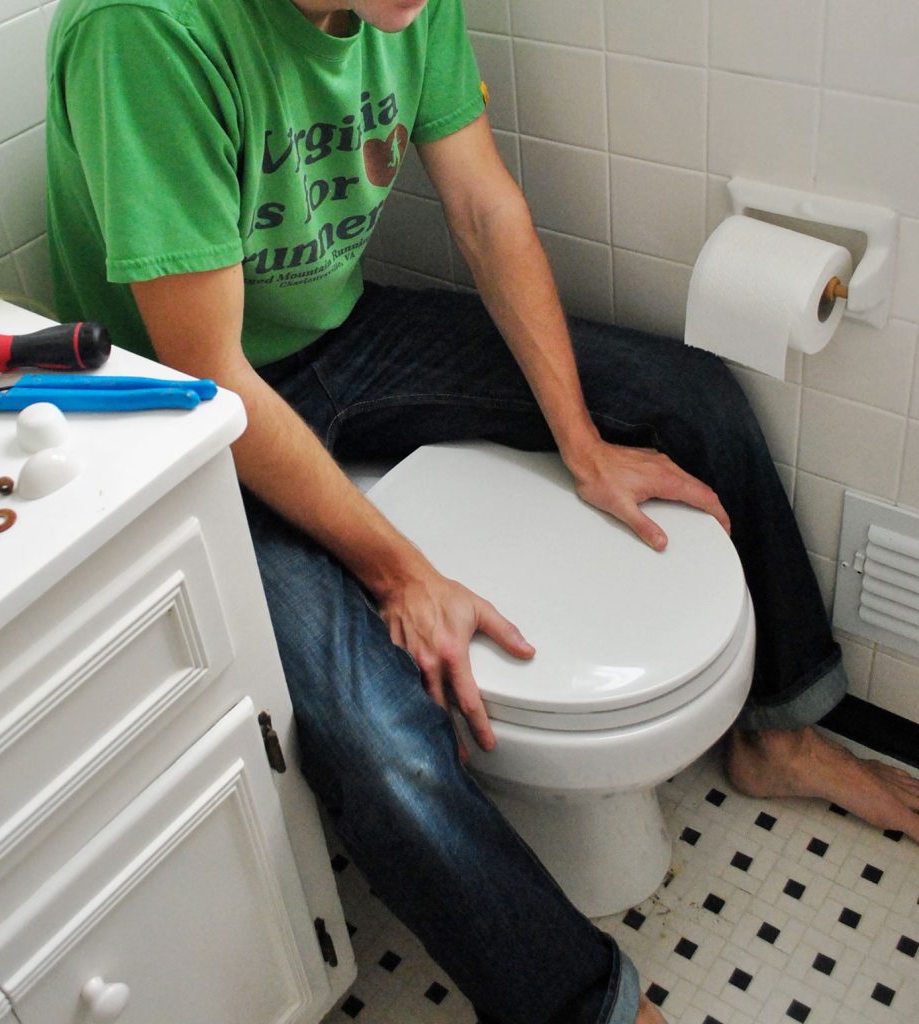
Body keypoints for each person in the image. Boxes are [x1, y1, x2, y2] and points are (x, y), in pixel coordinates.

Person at [44, 2, 919, 1022]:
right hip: (184, 423)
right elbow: (211, 372)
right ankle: (589, 1008)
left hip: (343, 336)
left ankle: (781, 732)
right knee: (383, 747)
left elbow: (483, 211)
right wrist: (406, 572)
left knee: (694, 400)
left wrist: (584, 445)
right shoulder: (144, 28)